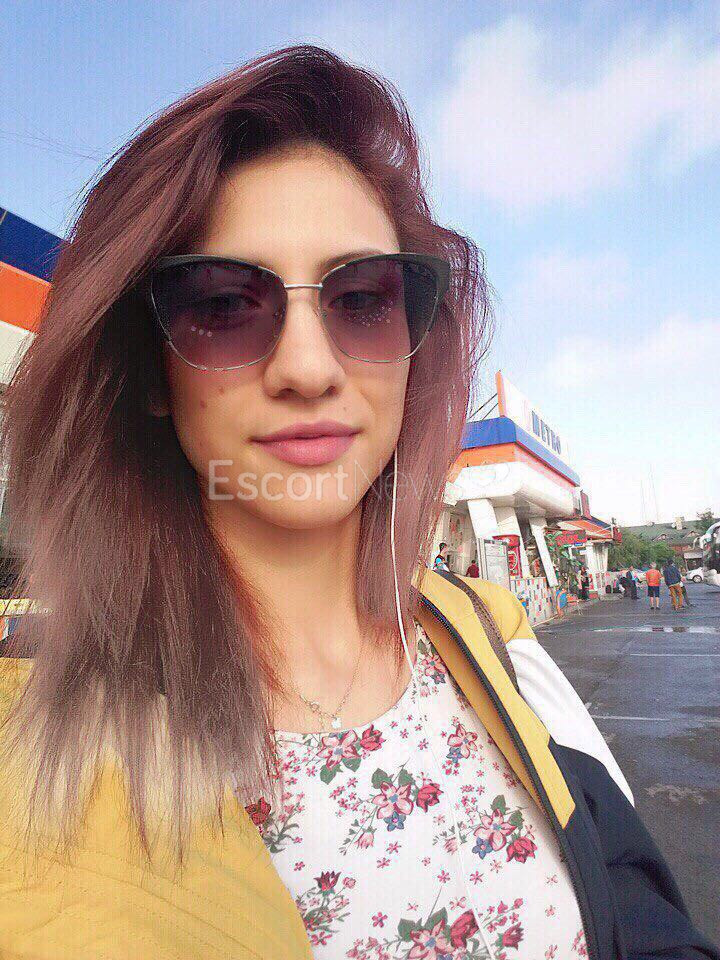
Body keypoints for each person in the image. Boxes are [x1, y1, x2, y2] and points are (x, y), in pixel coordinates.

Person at [0, 44, 715, 960]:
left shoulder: (487, 637)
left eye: (363, 300)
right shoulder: (38, 749)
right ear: (148, 372)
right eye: (224, 303)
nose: (308, 367)